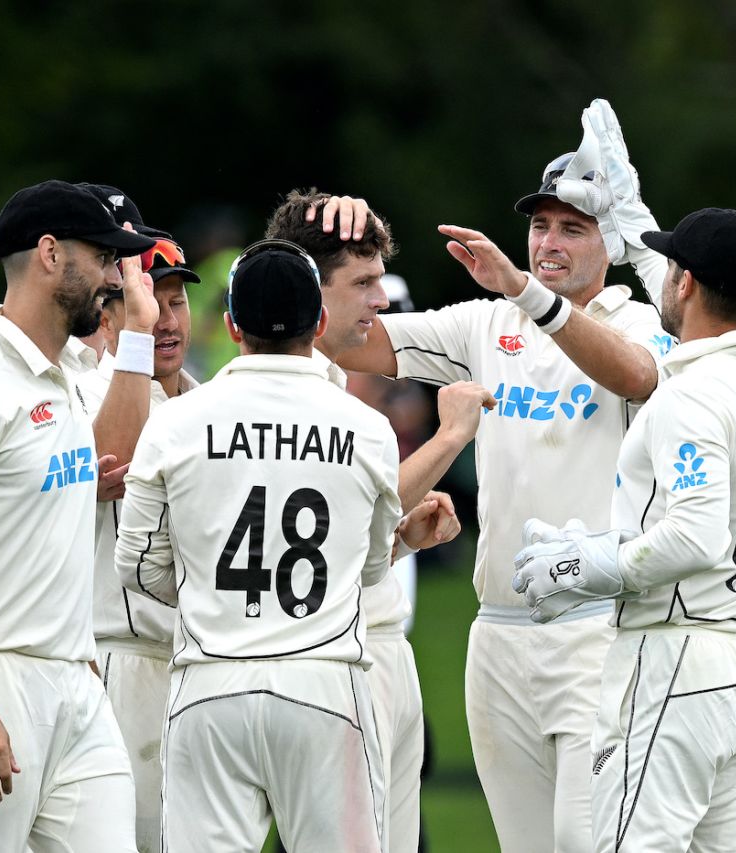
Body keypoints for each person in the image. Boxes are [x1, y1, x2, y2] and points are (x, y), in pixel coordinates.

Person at [334, 113, 671, 849]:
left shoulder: (639, 323)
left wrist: (527, 294)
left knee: (588, 841)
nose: (549, 242)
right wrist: (326, 248)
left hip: (598, 628)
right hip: (498, 632)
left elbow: (638, 376)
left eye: (572, 229)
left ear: (610, 243)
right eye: (541, 225)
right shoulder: (486, 326)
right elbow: (347, 343)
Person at [514, 208, 736, 853]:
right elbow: (687, 322)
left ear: (686, 282)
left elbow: (695, 536)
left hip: (674, 663)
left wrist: (592, 567)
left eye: (670, 269)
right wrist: (631, 211)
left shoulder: (687, 397)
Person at [113, 240, 402, 852]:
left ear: (230, 326)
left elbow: (138, 566)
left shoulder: (175, 420)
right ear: (319, 322)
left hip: (210, 684)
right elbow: (372, 566)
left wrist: (209, 590)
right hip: (326, 684)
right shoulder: (369, 430)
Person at [0, 179, 156, 852]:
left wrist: (72, 650)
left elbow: (106, 466)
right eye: (101, 256)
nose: (111, 277)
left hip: (72, 679)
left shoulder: (68, 370)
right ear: (49, 254)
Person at [266, 191, 493, 853]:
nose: (382, 301)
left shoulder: (331, 386)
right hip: (331, 661)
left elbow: (339, 538)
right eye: (364, 284)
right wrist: (450, 438)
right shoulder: (295, 389)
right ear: (311, 290)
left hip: (374, 647)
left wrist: (399, 539)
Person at [76, 183, 203, 853]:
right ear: (111, 312)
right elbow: (112, 457)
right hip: (117, 659)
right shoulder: (97, 387)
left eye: (177, 299)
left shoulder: (213, 403)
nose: (167, 318)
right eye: (150, 300)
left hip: (199, 662)